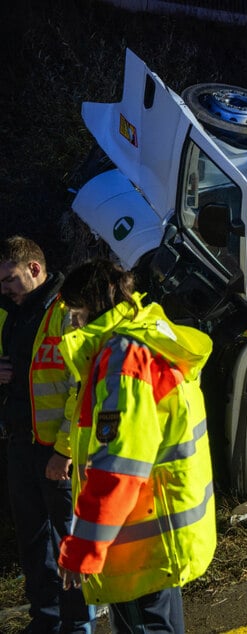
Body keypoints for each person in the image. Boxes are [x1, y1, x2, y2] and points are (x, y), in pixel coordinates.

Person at [55, 258, 216, 633]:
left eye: (76, 314)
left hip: (138, 546)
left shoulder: (122, 359)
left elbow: (119, 465)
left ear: (92, 307)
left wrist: (83, 550)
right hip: (153, 533)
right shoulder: (145, 337)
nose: (74, 324)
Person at [0, 236, 95, 633]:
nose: (4, 289)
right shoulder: (15, 311)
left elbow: (82, 387)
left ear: (35, 269)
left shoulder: (66, 312)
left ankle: (77, 623)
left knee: (67, 541)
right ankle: (47, 618)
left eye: (10, 279)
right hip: (20, 442)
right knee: (33, 539)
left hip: (56, 450)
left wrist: (65, 450)